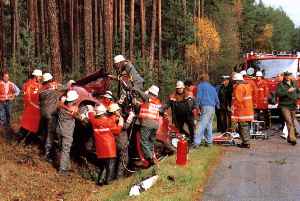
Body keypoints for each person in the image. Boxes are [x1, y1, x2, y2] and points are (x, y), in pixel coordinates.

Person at [88, 104, 123, 185]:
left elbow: (91, 115)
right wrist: (120, 123)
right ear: (104, 113)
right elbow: (117, 131)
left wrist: (91, 110)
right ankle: (108, 181)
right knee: (110, 165)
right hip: (109, 147)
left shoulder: (94, 121)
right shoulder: (108, 121)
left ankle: (100, 180)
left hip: (100, 148)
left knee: (104, 165)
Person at [136, 85, 162, 165]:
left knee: (143, 142)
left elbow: (141, 94)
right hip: (156, 124)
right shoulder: (157, 102)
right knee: (151, 142)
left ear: (150, 93)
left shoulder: (148, 98)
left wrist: (135, 88)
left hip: (147, 123)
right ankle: (153, 157)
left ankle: (150, 158)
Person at [56, 90, 79, 175]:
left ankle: (67, 165)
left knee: (62, 148)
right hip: (67, 133)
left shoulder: (61, 107)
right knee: (66, 149)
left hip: (59, 130)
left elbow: (59, 103)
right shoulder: (73, 109)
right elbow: (77, 114)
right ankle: (62, 169)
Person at [193, 74, 219, 147]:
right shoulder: (212, 87)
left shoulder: (201, 86)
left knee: (201, 124)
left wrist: (197, 106)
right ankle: (209, 142)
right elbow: (216, 96)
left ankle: (196, 142)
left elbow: (199, 97)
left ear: (201, 79)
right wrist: (218, 104)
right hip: (212, 107)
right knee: (208, 125)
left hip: (205, 106)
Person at [39, 73, 60, 161]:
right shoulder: (52, 91)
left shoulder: (41, 91)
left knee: (45, 132)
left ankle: (43, 149)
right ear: (49, 81)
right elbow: (63, 88)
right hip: (51, 115)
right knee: (50, 134)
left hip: (43, 114)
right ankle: (47, 154)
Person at [18, 69, 43, 143]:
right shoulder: (29, 84)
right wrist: (37, 107)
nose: (40, 78)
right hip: (30, 110)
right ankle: (18, 141)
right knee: (26, 126)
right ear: (35, 76)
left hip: (37, 111)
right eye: (39, 76)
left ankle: (28, 142)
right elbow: (28, 100)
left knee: (35, 127)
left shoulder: (39, 85)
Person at [276, 71, 299, 145]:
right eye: (287, 75)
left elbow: (298, 92)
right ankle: (293, 139)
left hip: (293, 105)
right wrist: (287, 91)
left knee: (292, 121)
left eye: (290, 75)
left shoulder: (294, 83)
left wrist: (297, 97)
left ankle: (289, 137)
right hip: (284, 106)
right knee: (289, 121)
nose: (289, 77)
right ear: (285, 77)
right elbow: (278, 94)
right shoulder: (281, 84)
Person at [231, 73, 254, 148]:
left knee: (243, 126)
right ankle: (246, 141)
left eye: (234, 81)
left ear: (237, 81)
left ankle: (246, 143)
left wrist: (233, 109)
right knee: (245, 126)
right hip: (248, 110)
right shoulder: (247, 86)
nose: (233, 82)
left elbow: (238, 100)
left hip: (242, 111)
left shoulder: (239, 87)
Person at [107, 103, 128, 179]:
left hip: (113, 143)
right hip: (121, 142)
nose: (120, 110)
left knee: (112, 161)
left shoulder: (108, 118)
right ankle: (119, 178)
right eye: (118, 110)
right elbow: (125, 127)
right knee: (123, 161)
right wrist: (130, 119)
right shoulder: (118, 119)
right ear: (115, 111)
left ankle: (109, 178)